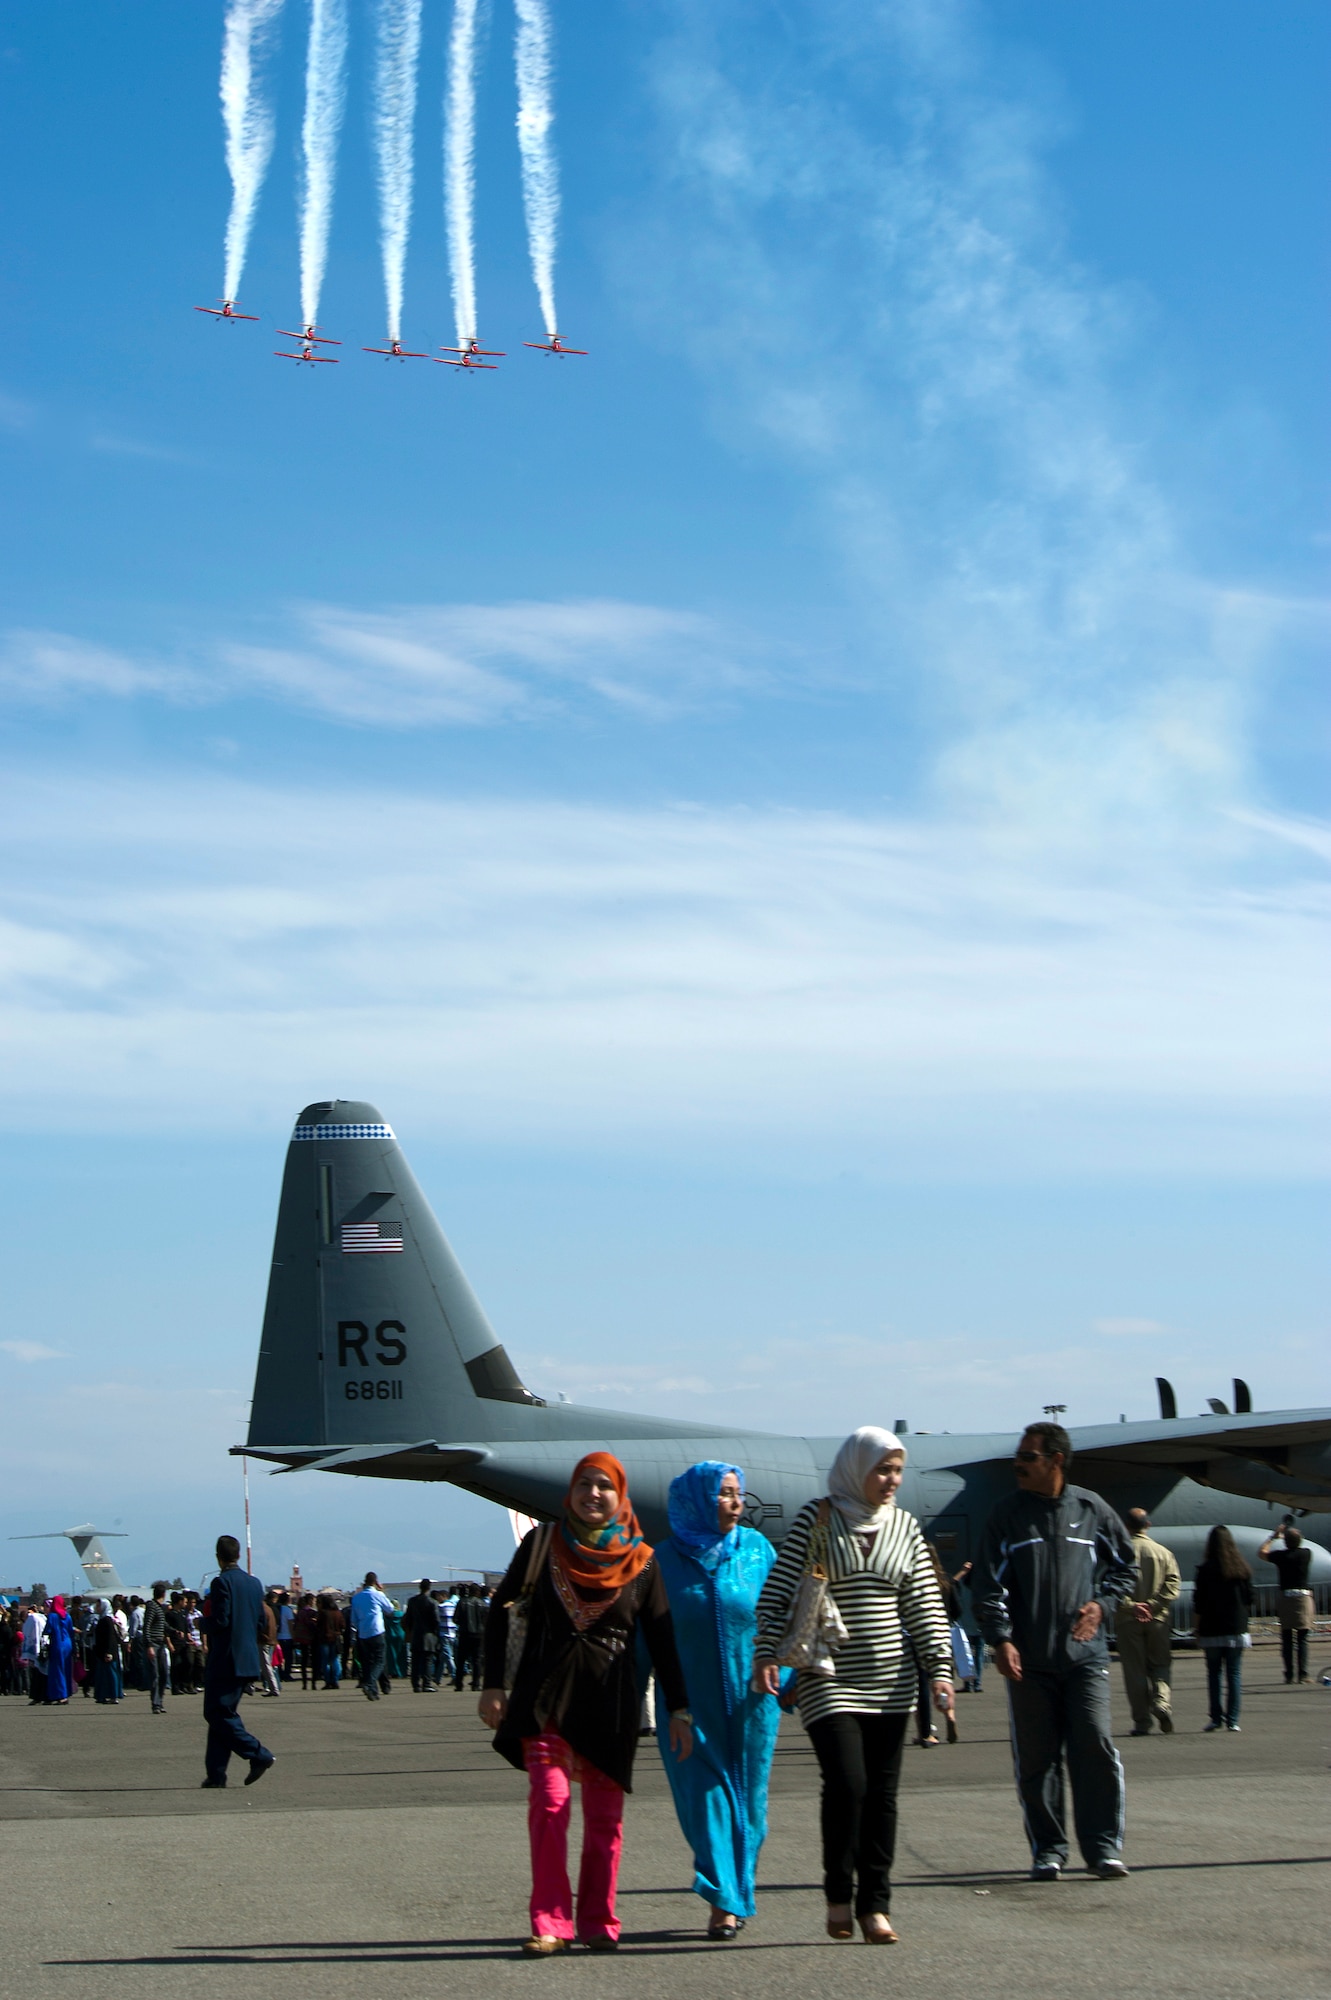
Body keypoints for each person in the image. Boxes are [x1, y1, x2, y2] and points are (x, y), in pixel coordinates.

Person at [480, 1451, 693, 1956]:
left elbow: (663, 1639)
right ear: (570, 1492)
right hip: (545, 1698)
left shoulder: (641, 1561)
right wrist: (493, 1684)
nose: (593, 1494)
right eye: (584, 1485)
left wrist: (679, 1709)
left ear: (621, 1496)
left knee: (604, 1820)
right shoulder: (540, 1545)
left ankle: (599, 1920)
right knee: (550, 1805)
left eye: (604, 1486)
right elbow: (499, 1610)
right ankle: (551, 1922)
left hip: (610, 1702)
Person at [753, 1427, 953, 1945]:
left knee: (882, 1794)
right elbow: (777, 1595)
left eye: (897, 1471)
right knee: (848, 1784)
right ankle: (839, 1894)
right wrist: (767, 1654)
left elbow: (925, 1604)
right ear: (855, 1469)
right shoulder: (818, 1518)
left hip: (892, 1681)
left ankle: (875, 1908)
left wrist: (940, 1669)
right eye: (882, 1470)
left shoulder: (906, 1527)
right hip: (829, 1677)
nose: (891, 1480)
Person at [973, 1421, 1137, 1882]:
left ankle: (1103, 1848)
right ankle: (1048, 1850)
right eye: (1018, 1457)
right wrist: (1000, 1639)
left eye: (1028, 1458)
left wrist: (1102, 1606)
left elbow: (1126, 1566)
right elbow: (988, 1586)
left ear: (1056, 1461)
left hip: (1086, 1660)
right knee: (1037, 1758)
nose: (1018, 1465)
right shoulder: (1007, 1515)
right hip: (1029, 1663)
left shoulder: (1091, 1509)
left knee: (1094, 1746)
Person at [655, 1461, 784, 1939]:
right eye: (724, 1494)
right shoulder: (661, 1561)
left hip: (753, 1706)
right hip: (687, 1708)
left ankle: (738, 1888)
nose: (736, 1503)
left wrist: (784, 1676)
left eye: (739, 1493)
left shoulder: (757, 1551)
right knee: (706, 1802)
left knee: (751, 1807)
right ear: (697, 1498)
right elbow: (649, 1637)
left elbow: (782, 1619)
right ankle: (723, 1901)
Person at [201, 1534, 274, 1789]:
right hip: (248, 1659)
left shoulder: (222, 1583)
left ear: (218, 1557)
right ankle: (216, 1774)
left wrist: (202, 1623)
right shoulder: (254, 1584)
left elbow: (221, 1621)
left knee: (216, 1712)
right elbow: (261, 1621)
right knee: (221, 1715)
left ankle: (258, 1753)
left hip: (226, 1659)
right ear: (239, 1555)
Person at [1114, 1509, 1181, 1736]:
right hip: (1157, 1619)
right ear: (1148, 1525)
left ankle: (1142, 1722)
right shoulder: (1164, 1553)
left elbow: (1108, 1586)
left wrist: (1132, 1606)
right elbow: (1172, 1585)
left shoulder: (1119, 1553)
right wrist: (1153, 1605)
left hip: (1127, 1619)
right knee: (1161, 1664)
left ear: (1126, 1527)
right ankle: (1161, 1702)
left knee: (1135, 1671)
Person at [1194, 1526, 1254, 1733]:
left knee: (1214, 1674)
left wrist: (1197, 1629)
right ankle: (1233, 1719)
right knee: (1234, 1673)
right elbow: (1250, 1599)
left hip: (1211, 1627)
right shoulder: (1242, 1570)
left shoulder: (1204, 1570)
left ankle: (1215, 1718)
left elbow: (1199, 1603)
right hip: (1236, 1627)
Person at [1259, 1522, 1314, 1684]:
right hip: (1303, 1598)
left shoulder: (1281, 1556)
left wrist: (1273, 1537)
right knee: (1302, 1639)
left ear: (1285, 1542)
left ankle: (1289, 1674)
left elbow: (1262, 1553)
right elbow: (1298, 1542)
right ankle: (1303, 1674)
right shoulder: (1306, 1554)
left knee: (1287, 1638)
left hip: (1286, 1598)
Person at [349, 1572, 395, 1699]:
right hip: (376, 1631)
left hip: (363, 1633)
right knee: (379, 1660)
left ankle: (373, 1691)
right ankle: (369, 1684)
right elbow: (390, 1609)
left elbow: (353, 1619)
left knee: (367, 1662)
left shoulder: (356, 1598)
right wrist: (382, 1591)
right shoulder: (378, 1595)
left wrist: (360, 1628)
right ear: (375, 1582)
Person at [405, 1580, 441, 1692]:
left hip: (416, 1634)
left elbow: (408, 1618)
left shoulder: (412, 1601)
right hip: (429, 1635)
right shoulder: (432, 1602)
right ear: (429, 1588)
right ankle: (426, 1684)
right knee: (427, 1661)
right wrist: (435, 1633)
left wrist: (410, 1630)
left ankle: (415, 1684)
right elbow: (436, 1620)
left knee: (415, 1661)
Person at [454, 1584, 487, 1691]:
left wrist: (462, 1623)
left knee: (461, 1660)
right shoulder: (482, 1604)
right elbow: (486, 1620)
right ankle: (476, 1684)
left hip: (464, 1633)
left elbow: (455, 1619)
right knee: (476, 1660)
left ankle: (459, 1684)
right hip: (478, 1635)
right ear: (477, 1592)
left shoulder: (462, 1602)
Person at [143, 1583, 171, 1713]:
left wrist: (175, 1631)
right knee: (155, 1674)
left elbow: (163, 1624)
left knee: (164, 1672)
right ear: (164, 1594)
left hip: (161, 1644)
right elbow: (147, 1626)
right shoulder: (152, 1607)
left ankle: (160, 1701)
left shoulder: (159, 1608)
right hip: (153, 1643)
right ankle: (155, 1704)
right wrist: (149, 1645)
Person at [43, 1595, 74, 1704]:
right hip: (67, 1643)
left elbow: (47, 1630)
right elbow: (71, 1631)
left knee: (57, 1670)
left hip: (57, 1643)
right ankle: (66, 1692)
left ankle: (59, 1695)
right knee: (66, 1668)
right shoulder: (67, 1616)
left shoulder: (52, 1616)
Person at [93, 1598, 123, 1704]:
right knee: (104, 1675)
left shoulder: (107, 1620)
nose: (97, 1608)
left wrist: (109, 1652)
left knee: (111, 1674)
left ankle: (114, 1695)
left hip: (108, 1652)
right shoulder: (102, 1619)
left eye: (98, 1605)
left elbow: (110, 1637)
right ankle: (103, 1695)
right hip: (102, 1652)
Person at [21, 1600, 49, 1706]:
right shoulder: (40, 1619)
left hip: (41, 1650)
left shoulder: (36, 1619)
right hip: (41, 1649)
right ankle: (39, 1696)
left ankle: (39, 1696)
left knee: (39, 1675)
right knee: (38, 1675)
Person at [315, 1592, 344, 1689]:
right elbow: (343, 1626)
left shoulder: (323, 1613)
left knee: (325, 1661)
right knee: (335, 1660)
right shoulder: (338, 1613)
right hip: (336, 1638)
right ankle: (335, 1680)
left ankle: (328, 1681)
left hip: (325, 1638)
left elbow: (318, 1626)